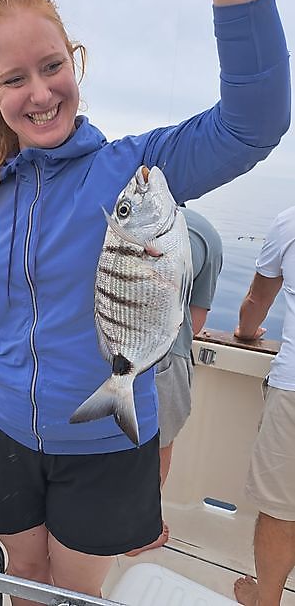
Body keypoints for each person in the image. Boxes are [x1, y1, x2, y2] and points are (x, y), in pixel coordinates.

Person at [0, 0, 290, 601]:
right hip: (5, 428)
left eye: (52, 66)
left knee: (75, 592)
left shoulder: (134, 171)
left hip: (106, 443)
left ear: (75, 62)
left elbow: (253, 121)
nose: (41, 93)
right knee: (22, 577)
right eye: (14, 78)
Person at [126, 207, 223, 556]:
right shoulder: (204, 231)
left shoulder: (114, 224)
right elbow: (196, 318)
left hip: (110, 351)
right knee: (160, 444)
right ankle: (138, 532)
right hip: (166, 359)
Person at [233, 206, 295, 606]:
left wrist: (245, 331)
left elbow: (257, 299)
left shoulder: (290, 221)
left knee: (280, 509)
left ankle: (267, 599)